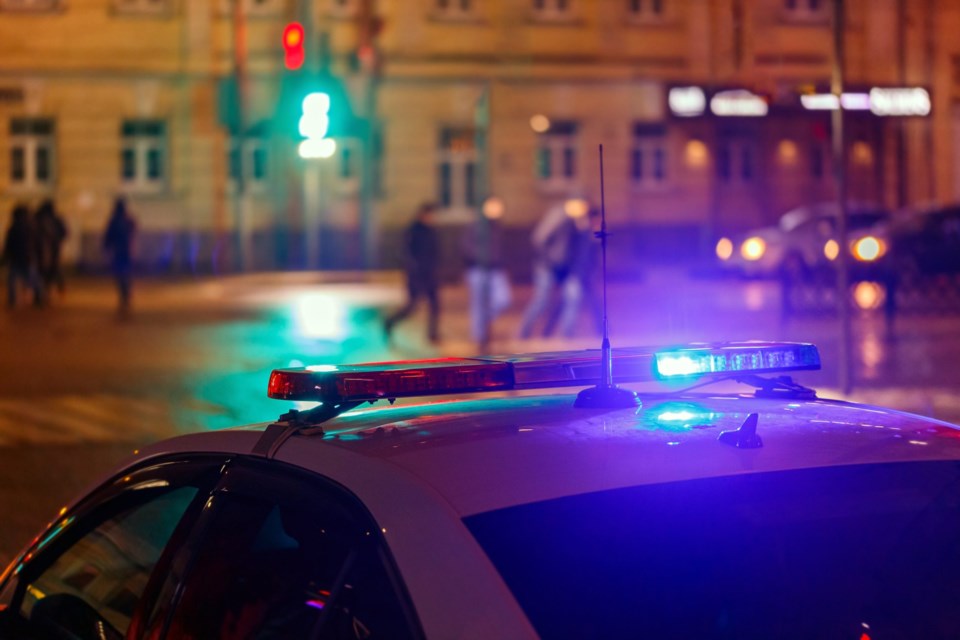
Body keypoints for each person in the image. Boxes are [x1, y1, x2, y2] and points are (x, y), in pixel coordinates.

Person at [518, 198, 583, 339]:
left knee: (569, 298)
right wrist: (548, 261)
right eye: (582, 206)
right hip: (546, 267)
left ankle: (563, 333)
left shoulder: (573, 221)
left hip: (561, 268)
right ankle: (524, 331)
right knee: (541, 301)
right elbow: (539, 238)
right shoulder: (558, 216)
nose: (583, 211)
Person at [384, 202, 440, 344]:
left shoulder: (431, 230)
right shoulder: (414, 231)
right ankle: (390, 322)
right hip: (417, 275)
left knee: (435, 305)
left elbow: (435, 252)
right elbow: (406, 252)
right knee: (411, 307)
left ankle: (432, 334)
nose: (431, 217)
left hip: (429, 274)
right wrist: (414, 268)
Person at [461, 197, 512, 349]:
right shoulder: (476, 225)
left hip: (496, 269)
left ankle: (482, 324)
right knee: (478, 304)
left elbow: (502, 248)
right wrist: (479, 257)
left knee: (503, 300)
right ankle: (479, 336)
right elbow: (465, 245)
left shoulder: (498, 226)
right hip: (477, 269)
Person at [1, 203, 44, 308]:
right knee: (34, 279)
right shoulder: (32, 226)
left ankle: (12, 300)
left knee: (12, 280)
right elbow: (38, 243)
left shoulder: (13, 227)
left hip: (16, 258)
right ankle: (38, 298)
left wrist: (5, 257)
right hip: (28, 258)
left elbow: (9, 244)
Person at [103, 196, 137, 313]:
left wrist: (106, 247)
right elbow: (133, 230)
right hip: (126, 251)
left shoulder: (115, 220)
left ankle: (124, 296)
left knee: (120, 275)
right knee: (125, 274)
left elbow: (108, 236)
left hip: (118, 251)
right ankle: (126, 295)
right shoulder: (127, 220)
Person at [34, 199, 68, 296]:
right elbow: (64, 233)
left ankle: (42, 292)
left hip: (40, 250)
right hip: (53, 248)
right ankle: (53, 289)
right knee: (54, 269)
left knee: (42, 271)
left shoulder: (37, 218)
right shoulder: (56, 219)